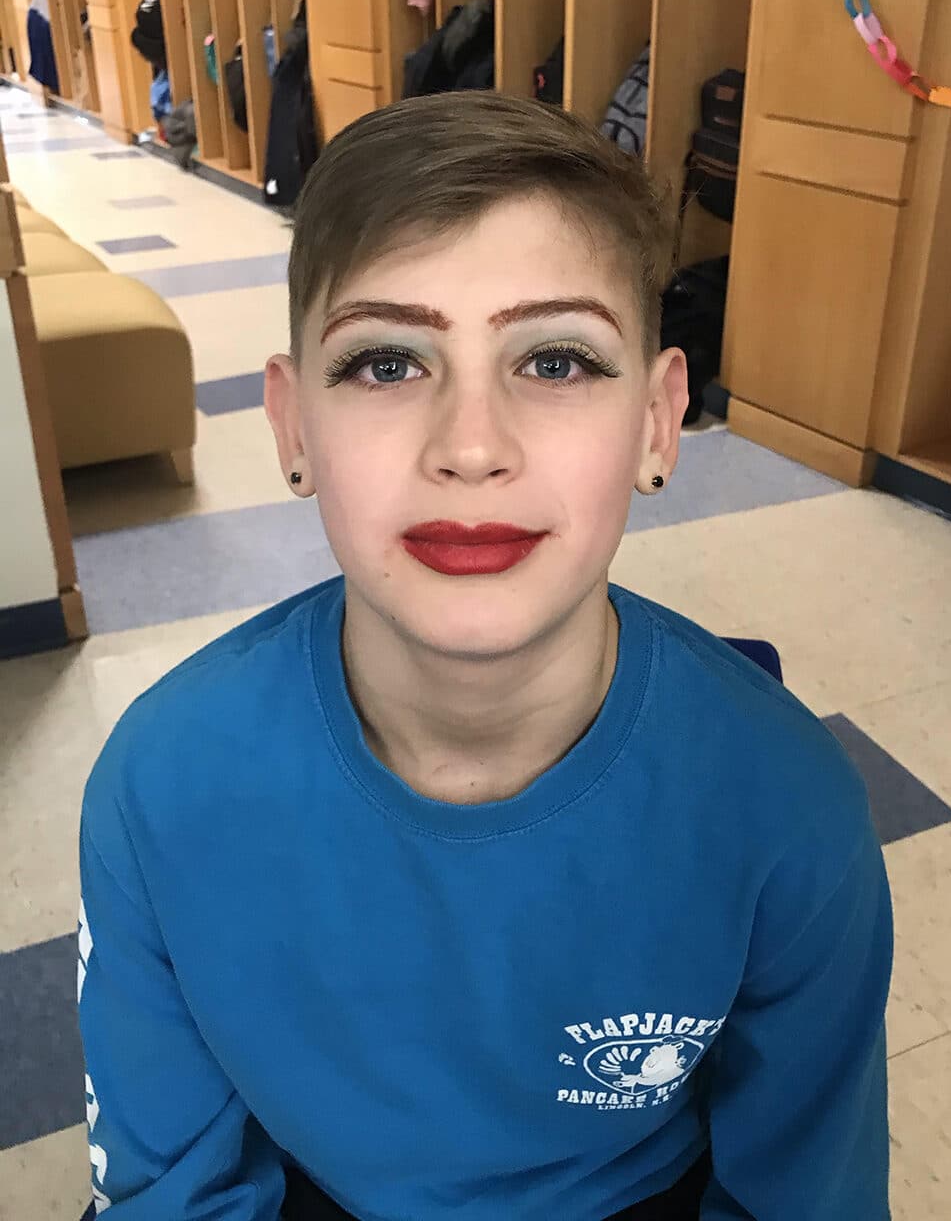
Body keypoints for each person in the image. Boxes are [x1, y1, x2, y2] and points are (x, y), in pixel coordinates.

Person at [76, 93, 893, 1220]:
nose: (471, 447)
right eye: (386, 362)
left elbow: (805, 1195)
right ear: (294, 426)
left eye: (555, 360)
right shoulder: (162, 782)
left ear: (658, 422)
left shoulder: (788, 808)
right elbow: (174, 1192)